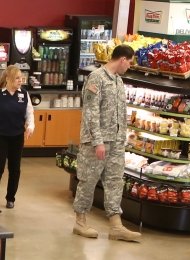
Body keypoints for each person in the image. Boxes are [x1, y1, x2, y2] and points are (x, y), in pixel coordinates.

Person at [73, 44, 141, 241]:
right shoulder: (97, 78)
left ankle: (116, 226)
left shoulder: (119, 81)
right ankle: (80, 222)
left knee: (114, 182)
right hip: (97, 142)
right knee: (88, 180)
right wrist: (98, 141)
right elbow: (91, 112)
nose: (129, 66)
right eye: (129, 62)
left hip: (117, 142)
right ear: (122, 59)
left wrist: (124, 137)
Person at [0, 65, 34, 211]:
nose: (21, 80)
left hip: (17, 136)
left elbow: (30, 113)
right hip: (1, 136)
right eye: (17, 78)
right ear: (8, 79)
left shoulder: (24, 94)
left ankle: (10, 198)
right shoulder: (0, 94)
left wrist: (30, 127)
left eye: (21, 78)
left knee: (15, 169)